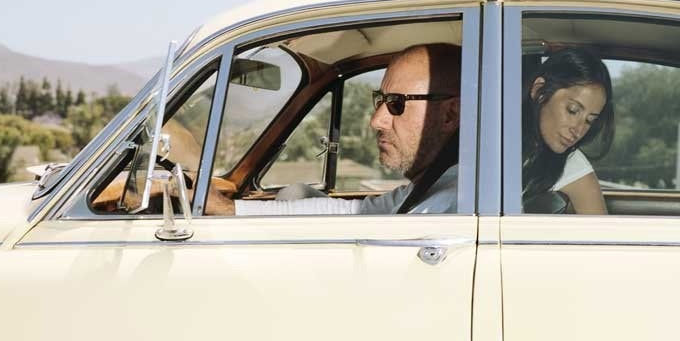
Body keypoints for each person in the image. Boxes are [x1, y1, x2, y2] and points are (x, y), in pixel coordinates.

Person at [207, 43, 461, 215]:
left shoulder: (450, 204)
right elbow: (355, 212)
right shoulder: (430, 187)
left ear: (450, 114)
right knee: (295, 193)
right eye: (380, 100)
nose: (376, 121)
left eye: (396, 103)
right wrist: (231, 209)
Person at [521, 47, 615, 214]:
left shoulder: (574, 165)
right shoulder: (491, 136)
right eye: (572, 110)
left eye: (589, 121)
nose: (578, 130)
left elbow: (601, 230)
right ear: (539, 91)